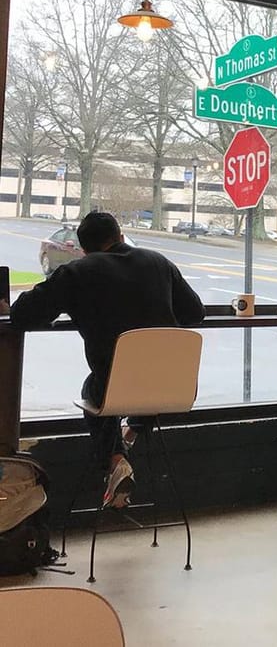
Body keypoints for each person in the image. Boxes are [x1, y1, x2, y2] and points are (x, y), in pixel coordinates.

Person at [7, 211, 205, 509]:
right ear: (121, 236)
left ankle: (116, 460)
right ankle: (131, 434)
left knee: (94, 388)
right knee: (138, 387)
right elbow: (195, 313)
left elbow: (23, 314)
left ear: (84, 249)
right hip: (172, 388)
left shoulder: (78, 272)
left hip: (114, 388)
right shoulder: (159, 262)